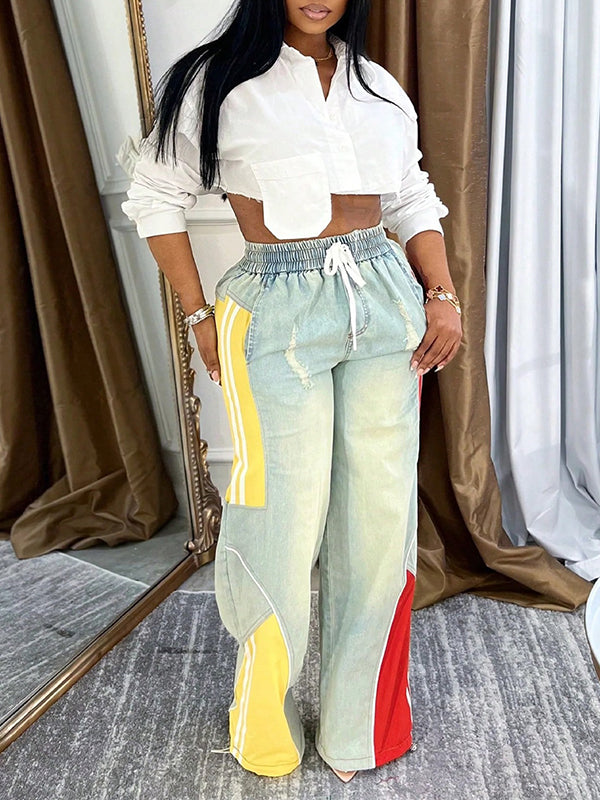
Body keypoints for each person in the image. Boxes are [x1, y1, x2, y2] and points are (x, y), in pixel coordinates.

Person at [121, 0, 462, 784]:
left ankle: (358, 728)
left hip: (382, 297)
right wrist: (199, 314)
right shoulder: (214, 80)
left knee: (379, 518)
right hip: (274, 306)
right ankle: (264, 723)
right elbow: (154, 195)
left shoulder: (375, 84)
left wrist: (441, 294)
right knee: (278, 515)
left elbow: (411, 196)